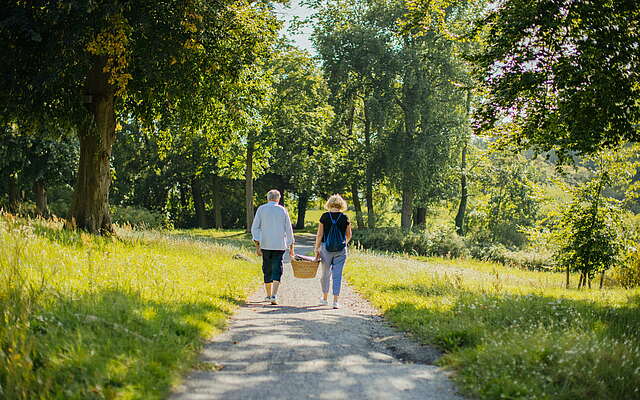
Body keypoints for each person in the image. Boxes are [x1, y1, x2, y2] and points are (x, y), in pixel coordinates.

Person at [251, 189, 295, 305]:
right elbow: (289, 229)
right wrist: (291, 245)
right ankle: (274, 295)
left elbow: (255, 228)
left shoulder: (261, 209)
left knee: (267, 268)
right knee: (277, 268)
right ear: (278, 198)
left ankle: (268, 294)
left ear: (268, 198)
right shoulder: (282, 210)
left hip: (265, 244)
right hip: (279, 245)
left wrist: (257, 243)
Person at [314, 194, 352, 309]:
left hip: (326, 248)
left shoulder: (324, 217)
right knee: (337, 275)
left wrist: (317, 248)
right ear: (341, 204)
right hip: (341, 249)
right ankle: (335, 301)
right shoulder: (345, 217)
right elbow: (349, 235)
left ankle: (324, 298)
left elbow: (320, 234)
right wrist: (343, 243)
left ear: (329, 204)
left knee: (325, 274)